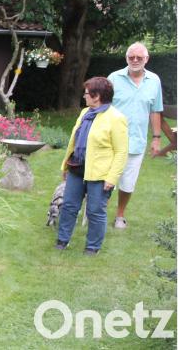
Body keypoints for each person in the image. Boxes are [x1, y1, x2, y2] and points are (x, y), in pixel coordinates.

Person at [55, 77, 128, 255]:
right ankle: (62, 240)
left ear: (97, 96)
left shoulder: (116, 118)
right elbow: (75, 141)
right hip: (77, 168)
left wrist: (112, 178)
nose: (84, 96)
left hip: (100, 175)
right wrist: (66, 166)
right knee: (69, 206)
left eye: (87, 93)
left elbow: (121, 152)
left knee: (95, 211)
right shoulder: (85, 113)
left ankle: (92, 247)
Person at [107, 42, 164, 229]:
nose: (135, 60)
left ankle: (119, 216)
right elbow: (102, 108)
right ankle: (96, 212)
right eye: (131, 57)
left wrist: (156, 138)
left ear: (146, 59)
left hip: (136, 141)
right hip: (110, 141)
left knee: (128, 183)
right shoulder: (114, 78)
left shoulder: (154, 81)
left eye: (139, 57)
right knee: (104, 179)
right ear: (126, 58)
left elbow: (155, 111)